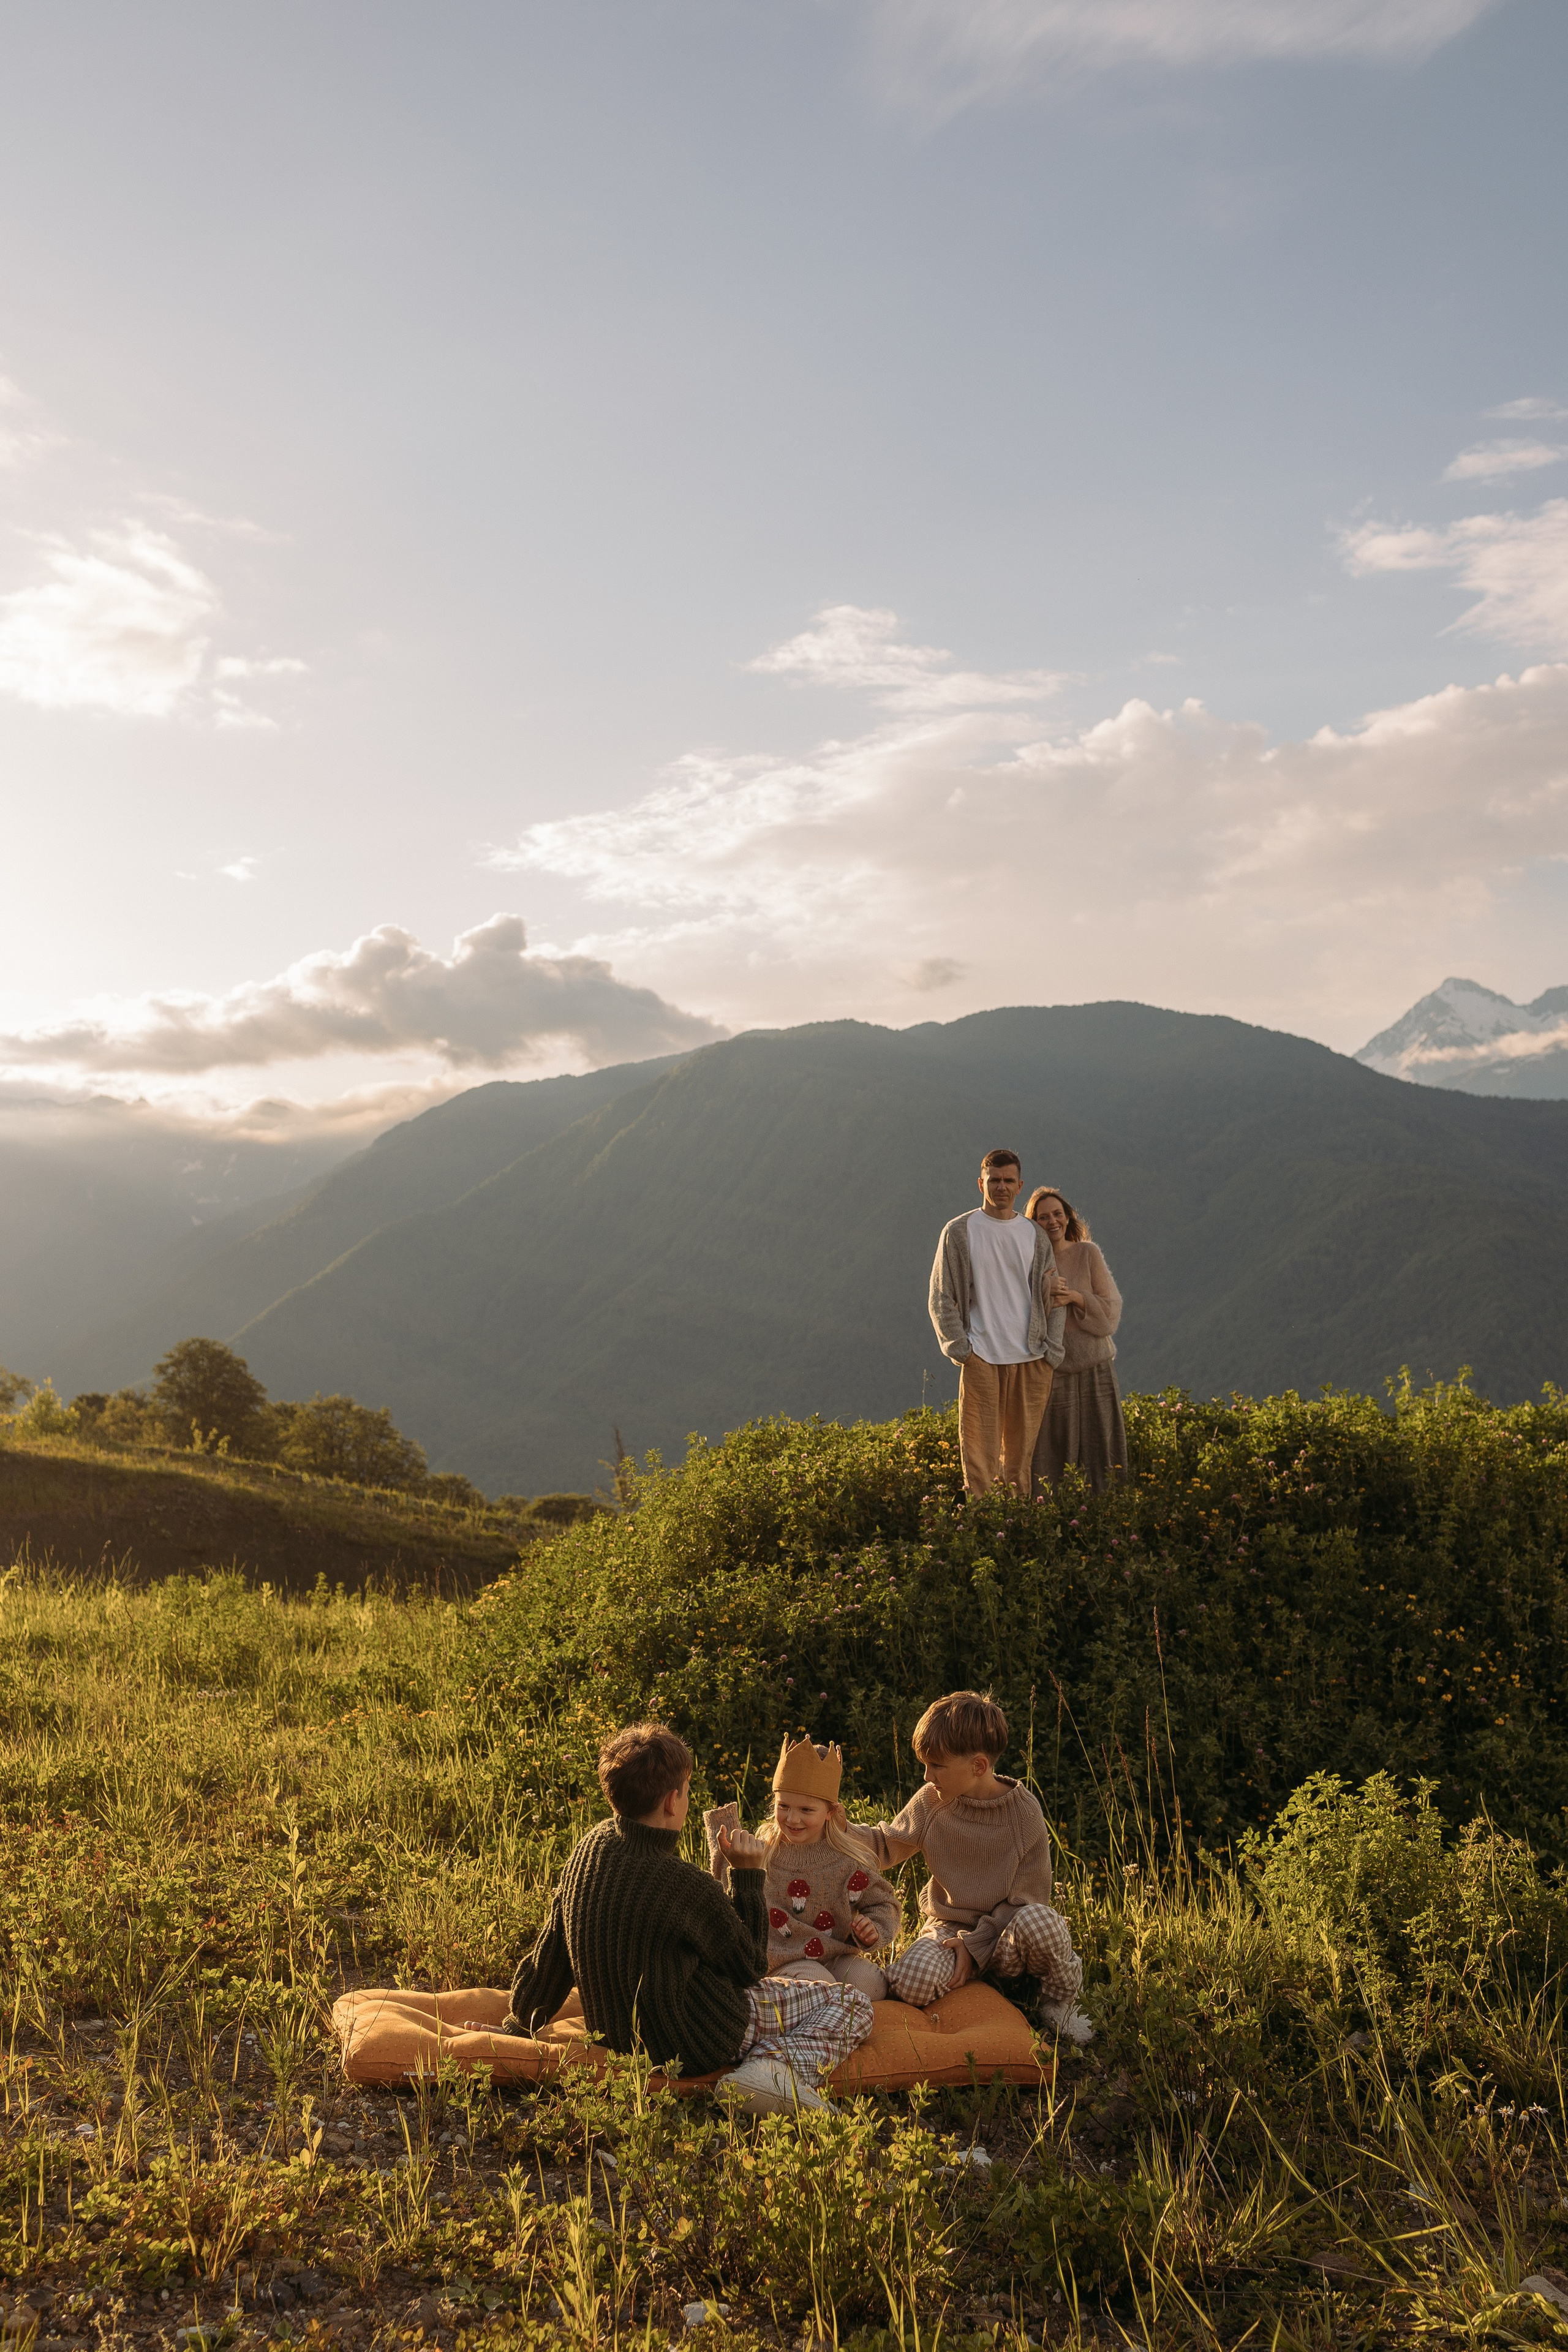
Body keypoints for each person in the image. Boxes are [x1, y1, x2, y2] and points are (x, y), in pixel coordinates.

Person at [505, 1720, 874, 2113]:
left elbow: (553, 1950)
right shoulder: (684, 1885)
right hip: (702, 2038)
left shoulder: (588, 1850)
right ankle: (770, 2069)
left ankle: (761, 2065)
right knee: (854, 2005)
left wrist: (518, 2023)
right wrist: (748, 1876)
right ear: (671, 1801)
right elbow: (750, 1966)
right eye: (686, 1792)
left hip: (621, 2037)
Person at [847, 1689, 1092, 2043]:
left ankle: (1059, 2000)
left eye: (937, 1766)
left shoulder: (1023, 1814)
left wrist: (975, 1945)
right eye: (925, 1766)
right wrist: (836, 1826)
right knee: (910, 1981)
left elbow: (1028, 1900)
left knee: (1044, 1923)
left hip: (1005, 1936)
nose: (928, 1777)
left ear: (978, 1766)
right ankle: (975, 1981)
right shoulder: (932, 1802)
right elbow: (884, 1845)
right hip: (949, 1930)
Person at [704, 1736, 902, 2000]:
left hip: (835, 1955)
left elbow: (884, 1904)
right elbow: (731, 1895)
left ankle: (830, 2010)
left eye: (807, 1810)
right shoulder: (763, 1853)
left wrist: (873, 1929)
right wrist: (725, 1846)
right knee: (820, 1985)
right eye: (783, 1806)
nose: (793, 1819)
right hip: (782, 1962)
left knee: (872, 1985)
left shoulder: (848, 1859)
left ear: (831, 1811)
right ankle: (805, 2010)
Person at [929, 1148, 1068, 1496]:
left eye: (1008, 1181)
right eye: (994, 1180)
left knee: (1020, 1461)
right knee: (978, 1458)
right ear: (981, 1183)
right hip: (982, 1357)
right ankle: (985, 1528)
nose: (1001, 1187)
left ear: (1020, 1186)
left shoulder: (1034, 1235)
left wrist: (1052, 1350)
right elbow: (941, 1296)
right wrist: (960, 1348)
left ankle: (1016, 1530)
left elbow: (1055, 1295)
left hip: (1032, 1358)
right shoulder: (959, 1231)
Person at [1025, 1186, 1128, 1494]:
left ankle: (1109, 1511)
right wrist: (1046, 1293)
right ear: (1034, 1224)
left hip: (1096, 1364)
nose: (1052, 1221)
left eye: (1058, 1214)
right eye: (1043, 1217)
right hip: (1053, 1367)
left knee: (1103, 1444)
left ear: (1068, 1217)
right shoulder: (1032, 1263)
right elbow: (1022, 1317)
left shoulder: (1088, 1253)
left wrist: (1077, 1298)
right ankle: (1053, 1514)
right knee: (1053, 1448)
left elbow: (1111, 1310)